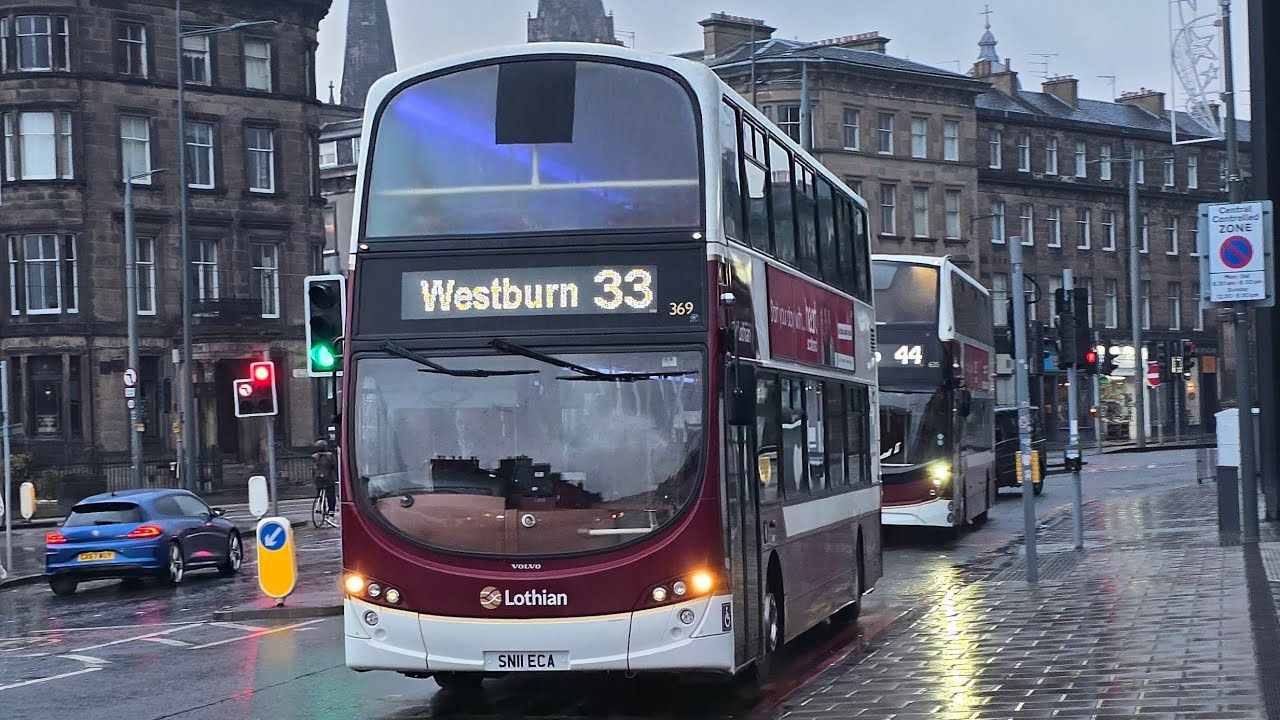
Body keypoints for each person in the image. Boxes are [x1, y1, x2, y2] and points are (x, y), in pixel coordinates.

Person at [312, 439, 337, 516]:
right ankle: (331, 510)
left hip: (318, 478)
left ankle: (320, 506)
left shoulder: (314, 456)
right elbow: (334, 465)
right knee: (331, 494)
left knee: (319, 493)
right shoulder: (330, 455)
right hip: (329, 478)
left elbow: (313, 468)